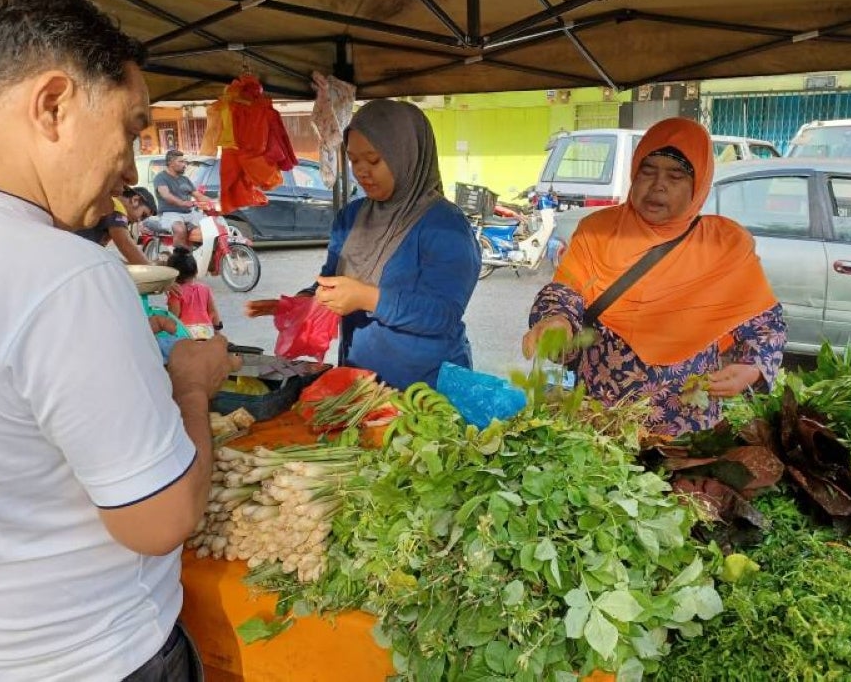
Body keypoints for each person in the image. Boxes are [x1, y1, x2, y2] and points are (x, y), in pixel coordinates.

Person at [0, 0, 239, 680]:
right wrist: (190, 387)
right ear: (54, 104)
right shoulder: (61, 273)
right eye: (129, 129)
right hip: (94, 654)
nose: (129, 170)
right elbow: (159, 523)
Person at [522, 117, 787, 437]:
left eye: (675, 176)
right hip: (599, 421)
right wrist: (556, 321)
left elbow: (764, 322)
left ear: (699, 184)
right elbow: (567, 290)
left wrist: (752, 368)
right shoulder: (599, 231)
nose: (658, 185)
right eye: (648, 171)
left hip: (686, 428)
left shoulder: (723, 244)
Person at [246, 99, 480, 389]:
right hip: (359, 382)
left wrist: (368, 298)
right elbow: (331, 280)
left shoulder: (445, 225)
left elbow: (443, 315)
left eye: (374, 160)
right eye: (354, 160)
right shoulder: (351, 217)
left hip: (427, 391)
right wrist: (300, 303)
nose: (361, 171)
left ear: (405, 156)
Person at [75, 184, 158, 264]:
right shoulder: (116, 206)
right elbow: (127, 246)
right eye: (143, 215)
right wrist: (152, 269)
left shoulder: (108, 202)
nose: (139, 220)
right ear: (135, 200)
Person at [154, 149, 212, 248]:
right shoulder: (161, 177)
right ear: (170, 163)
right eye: (181, 161)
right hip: (170, 214)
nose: (184, 164)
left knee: (211, 226)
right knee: (180, 229)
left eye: (184, 161)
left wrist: (214, 202)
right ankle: (180, 260)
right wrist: (183, 203)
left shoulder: (185, 179)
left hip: (189, 213)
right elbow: (166, 195)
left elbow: (199, 196)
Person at [166, 246, 223, 340]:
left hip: (186, 333)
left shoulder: (175, 292)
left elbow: (173, 318)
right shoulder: (205, 289)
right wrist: (217, 333)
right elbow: (213, 313)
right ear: (196, 271)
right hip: (206, 331)